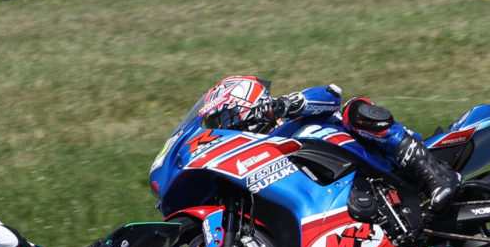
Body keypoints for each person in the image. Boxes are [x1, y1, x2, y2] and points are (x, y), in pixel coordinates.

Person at [197, 75, 460, 211]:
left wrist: (282, 106)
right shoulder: (257, 157)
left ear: (244, 107)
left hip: (382, 161)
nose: (221, 128)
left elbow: (331, 94)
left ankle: (435, 174)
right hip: (352, 197)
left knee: (354, 109)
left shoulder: (287, 120)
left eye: (223, 118)